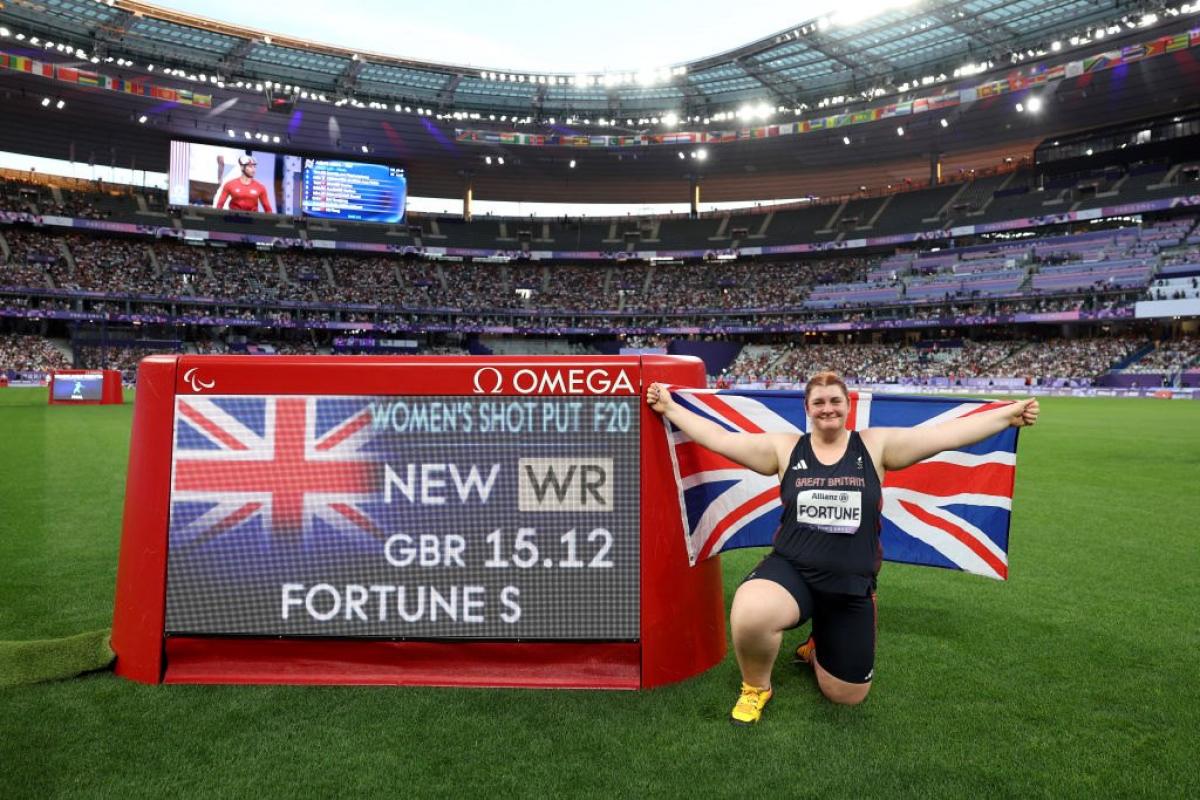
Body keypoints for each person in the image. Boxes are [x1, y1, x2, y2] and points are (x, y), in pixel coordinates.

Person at [645, 371, 1038, 724]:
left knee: (846, 696)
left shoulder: (876, 446)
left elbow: (943, 436)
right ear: (807, 409)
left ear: (848, 406)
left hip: (849, 584)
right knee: (751, 613)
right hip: (792, 571)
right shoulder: (786, 449)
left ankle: (818, 647)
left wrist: (1008, 415)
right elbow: (720, 439)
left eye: (835, 400)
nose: (827, 408)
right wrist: (670, 409)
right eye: (819, 402)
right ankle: (756, 686)